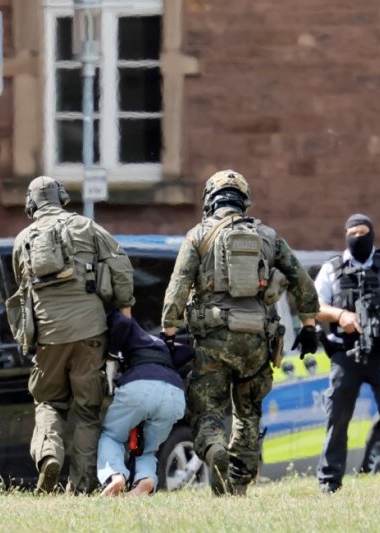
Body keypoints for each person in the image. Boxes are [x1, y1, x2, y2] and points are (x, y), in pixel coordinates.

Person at [161, 169, 319, 496]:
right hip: (257, 341)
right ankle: (238, 488)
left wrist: (170, 330)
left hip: (214, 339)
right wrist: (308, 325)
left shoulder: (198, 235)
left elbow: (177, 288)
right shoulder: (269, 236)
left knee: (209, 409)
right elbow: (301, 281)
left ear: (209, 199)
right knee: (248, 415)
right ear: (244, 200)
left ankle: (215, 447)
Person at [11, 175, 135, 495]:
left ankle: (49, 454)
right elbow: (120, 265)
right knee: (87, 412)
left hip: (48, 337)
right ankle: (80, 486)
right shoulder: (87, 227)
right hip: (91, 334)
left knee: (49, 402)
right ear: (61, 197)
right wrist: (124, 308)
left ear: (30, 204)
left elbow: (21, 290)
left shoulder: (23, 238)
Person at [313, 214, 380, 493]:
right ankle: (329, 482)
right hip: (346, 352)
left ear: (373, 234)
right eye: (352, 232)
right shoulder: (333, 268)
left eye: (363, 232)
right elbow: (313, 305)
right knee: (337, 417)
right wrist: (341, 314)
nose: (358, 237)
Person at [97, 309, 194, 496]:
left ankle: (115, 475)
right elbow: (189, 351)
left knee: (112, 436)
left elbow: (122, 321)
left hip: (140, 385)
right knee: (148, 449)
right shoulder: (162, 345)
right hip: (174, 394)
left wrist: (111, 354)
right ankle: (146, 479)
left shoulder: (132, 329)